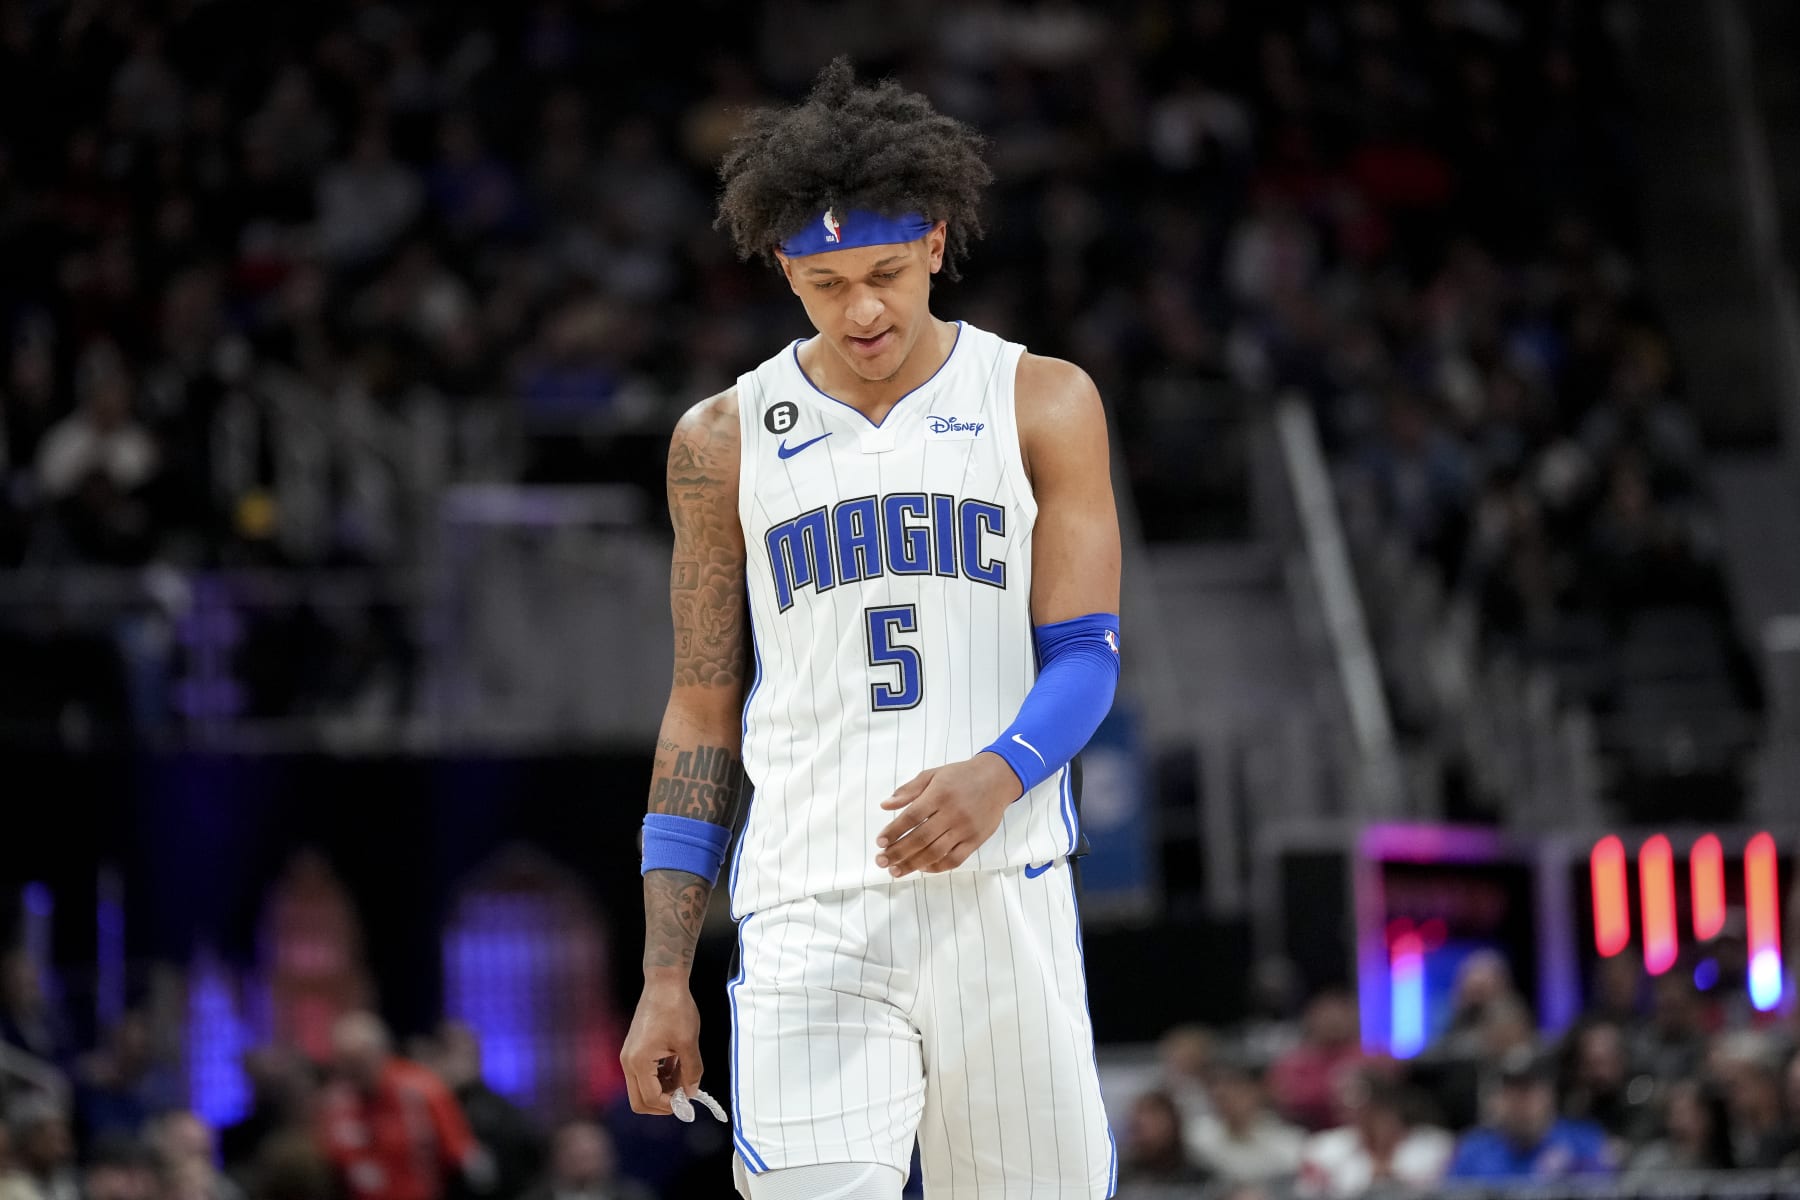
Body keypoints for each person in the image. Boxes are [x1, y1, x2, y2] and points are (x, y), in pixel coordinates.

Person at [618, 57, 1125, 1199]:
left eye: (887, 274)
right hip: (809, 907)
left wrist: (1002, 770)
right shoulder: (720, 440)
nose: (862, 312)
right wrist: (663, 975)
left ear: (936, 244)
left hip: (1004, 889)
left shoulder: (1042, 400)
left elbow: (1087, 656)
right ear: (784, 269)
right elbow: (700, 711)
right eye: (827, 282)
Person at [315, 1012, 490, 1200]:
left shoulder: (422, 1091)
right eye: (347, 1062)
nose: (354, 1070)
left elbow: (462, 1157)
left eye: (360, 1060)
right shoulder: (336, 1105)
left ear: (381, 1052)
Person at [1444, 1048, 1613, 1182]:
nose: (1518, 1104)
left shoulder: (1583, 1141)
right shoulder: (1474, 1151)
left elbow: (1607, 1185)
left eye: (1527, 1092)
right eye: (1510, 1093)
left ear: (1549, 1096)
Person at [515, 1122, 651, 1200]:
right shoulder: (533, 1197)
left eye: (591, 1156)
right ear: (556, 1158)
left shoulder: (636, 1196)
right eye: (576, 1157)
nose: (585, 1165)